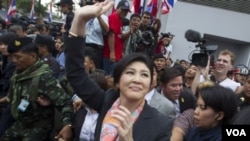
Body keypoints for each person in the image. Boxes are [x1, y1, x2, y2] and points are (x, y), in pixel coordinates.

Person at [64, 1, 173, 140]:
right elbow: (76, 74)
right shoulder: (106, 101)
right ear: (117, 81)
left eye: (144, 74)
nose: (137, 79)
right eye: (130, 72)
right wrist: (80, 19)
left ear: (152, 83)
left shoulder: (162, 124)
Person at [0, 37, 73, 141]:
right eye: (12, 57)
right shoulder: (19, 74)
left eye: (18, 57)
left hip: (37, 127)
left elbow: (65, 103)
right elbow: (10, 97)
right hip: (21, 123)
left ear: (33, 56)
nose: (14, 61)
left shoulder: (44, 78)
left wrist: (67, 125)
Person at [103, 0, 130, 75]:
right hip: (110, 56)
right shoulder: (114, 17)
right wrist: (112, 52)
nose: (124, 12)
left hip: (116, 56)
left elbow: (119, 38)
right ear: (117, 8)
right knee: (109, 79)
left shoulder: (120, 20)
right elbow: (111, 35)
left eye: (126, 11)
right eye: (123, 10)